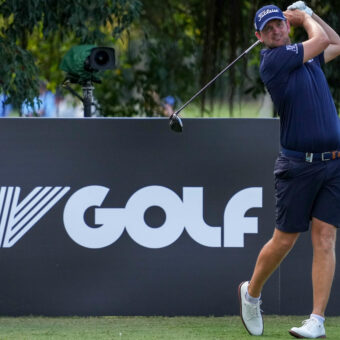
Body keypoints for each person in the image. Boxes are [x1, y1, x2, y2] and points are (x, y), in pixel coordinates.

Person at [238, 2, 340, 338]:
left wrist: (310, 14)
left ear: (287, 26)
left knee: (325, 239)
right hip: (298, 166)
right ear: (260, 37)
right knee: (284, 241)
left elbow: (336, 42)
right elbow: (323, 40)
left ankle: (317, 321)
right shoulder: (275, 61)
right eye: (268, 30)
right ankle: (251, 294)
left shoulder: (307, 59)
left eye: (280, 24)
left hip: (333, 164)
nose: (276, 31)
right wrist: (306, 17)